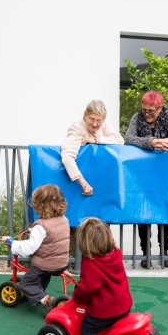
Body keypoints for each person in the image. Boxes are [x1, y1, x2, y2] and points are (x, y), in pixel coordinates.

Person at [124, 90, 168, 268]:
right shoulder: (136, 118)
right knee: (143, 213)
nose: (146, 113)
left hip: (166, 175)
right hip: (142, 176)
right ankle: (145, 253)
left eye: (151, 111)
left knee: (164, 214)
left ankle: (165, 252)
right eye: (144, 110)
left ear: (160, 107)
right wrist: (151, 142)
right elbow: (128, 138)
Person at [61, 100, 124, 270]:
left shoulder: (103, 125)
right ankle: (80, 264)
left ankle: (100, 263)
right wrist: (83, 183)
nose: (95, 124)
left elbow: (119, 140)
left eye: (99, 121)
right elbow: (67, 158)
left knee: (101, 223)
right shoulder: (76, 128)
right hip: (78, 183)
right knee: (77, 224)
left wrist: (95, 140)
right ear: (85, 116)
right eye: (91, 120)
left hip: (99, 183)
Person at [72, 218, 132, 335]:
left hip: (105, 311)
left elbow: (88, 288)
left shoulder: (91, 263)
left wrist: (77, 296)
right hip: (124, 305)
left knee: (87, 328)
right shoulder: (116, 253)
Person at [1, 184, 70, 317]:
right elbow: (52, 236)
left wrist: (12, 242)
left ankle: (45, 300)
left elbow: (29, 248)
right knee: (42, 276)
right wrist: (36, 233)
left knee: (26, 282)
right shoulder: (64, 220)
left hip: (46, 264)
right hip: (61, 262)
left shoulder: (41, 226)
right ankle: (38, 294)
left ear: (40, 206)